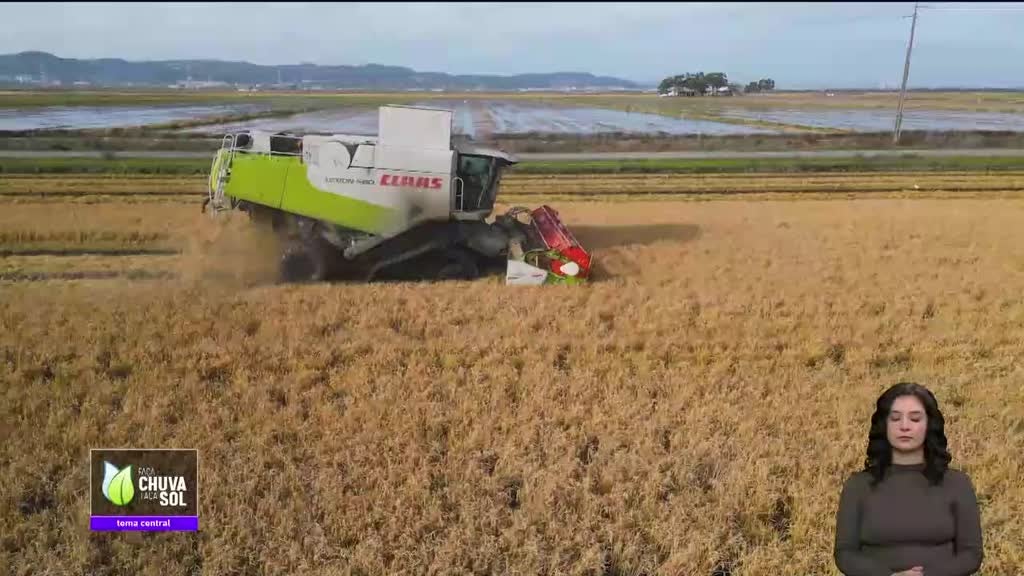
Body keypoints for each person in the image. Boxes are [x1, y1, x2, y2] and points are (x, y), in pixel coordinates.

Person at [834, 382, 984, 576]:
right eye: (895, 418)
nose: (904, 426)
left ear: (929, 424)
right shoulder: (858, 486)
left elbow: (971, 554)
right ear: (884, 425)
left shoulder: (957, 484)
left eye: (914, 419)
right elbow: (845, 553)